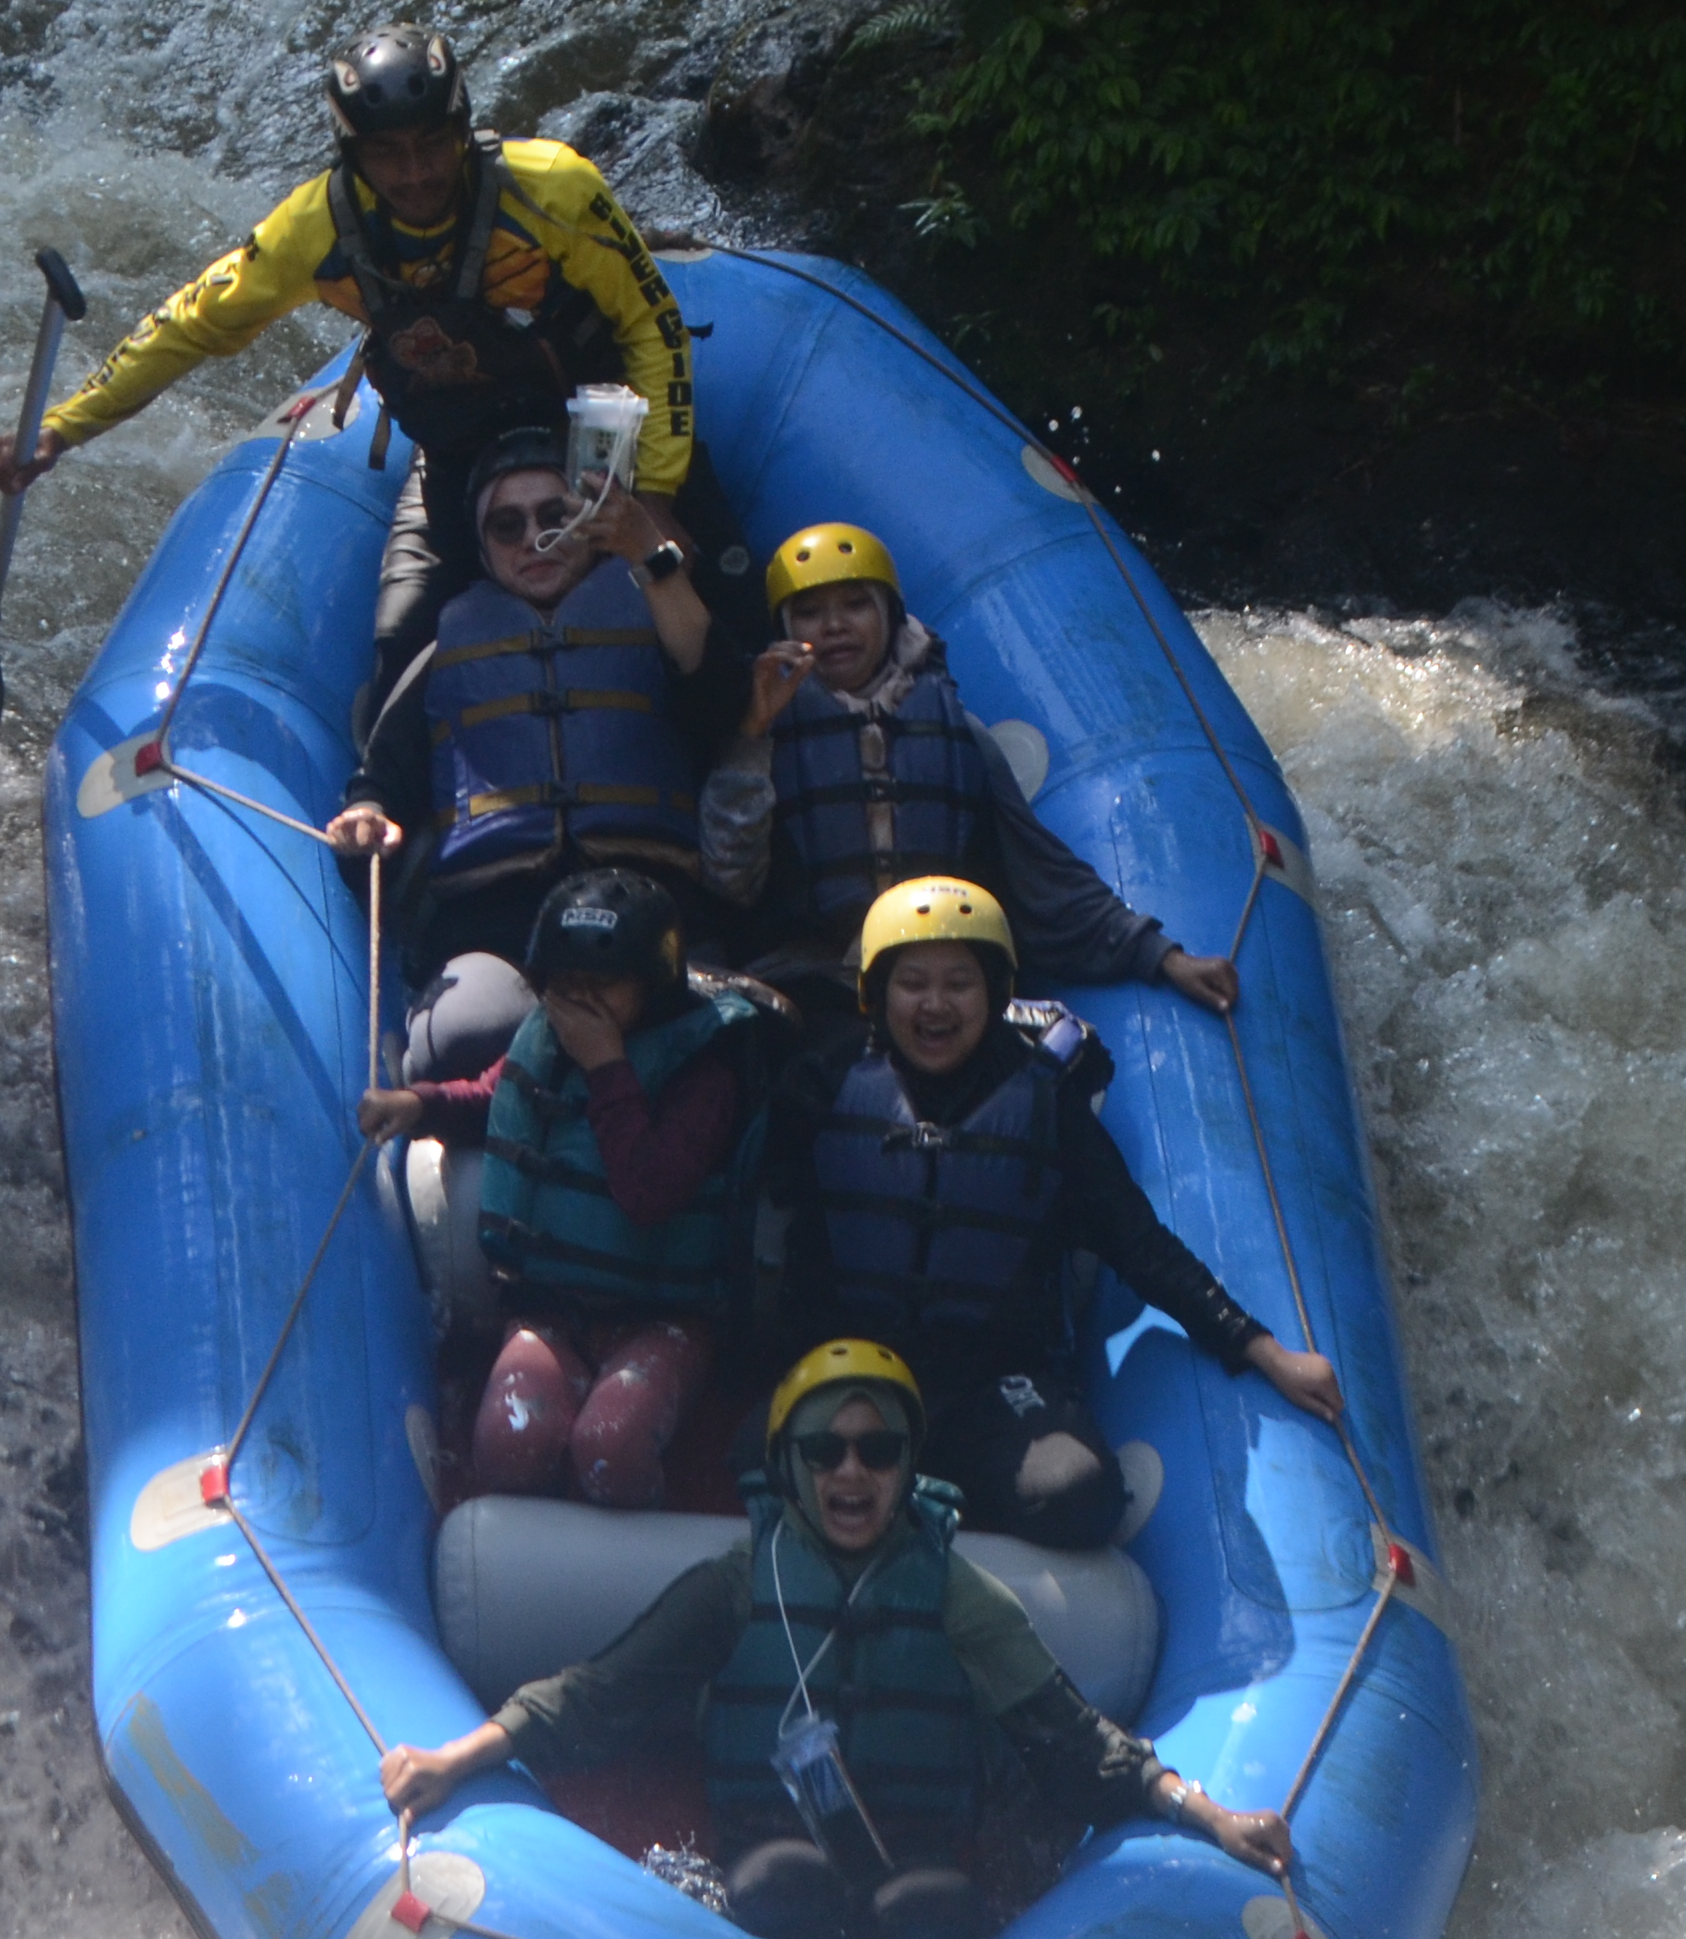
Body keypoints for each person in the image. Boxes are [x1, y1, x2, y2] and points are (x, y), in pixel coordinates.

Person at [374, 1341, 1289, 1939]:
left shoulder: (960, 1597)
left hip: (917, 1857)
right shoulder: (734, 1585)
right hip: (775, 1849)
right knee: (784, 1884)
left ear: (907, 1465)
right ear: (790, 1466)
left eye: (879, 1451)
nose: (852, 1471)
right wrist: (456, 1758)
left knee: (933, 1910)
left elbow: (1074, 1737)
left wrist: (1205, 1815)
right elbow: (600, 1691)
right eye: (827, 1451)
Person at [0, 24, 723, 699]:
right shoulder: (313, 229)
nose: (414, 174)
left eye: (433, 143)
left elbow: (652, 325)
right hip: (462, 454)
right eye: (387, 154)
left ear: (463, 130)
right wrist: (64, 428)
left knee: (713, 578)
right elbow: (191, 325)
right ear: (352, 154)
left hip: (601, 433)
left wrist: (654, 490)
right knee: (405, 644)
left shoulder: (553, 187)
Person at [770, 877, 1344, 1549]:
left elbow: (1138, 1243)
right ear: (877, 994)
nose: (934, 1005)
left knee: (1074, 1493)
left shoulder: (1047, 1109)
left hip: (990, 1386)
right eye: (912, 983)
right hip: (852, 1373)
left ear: (994, 994)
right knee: (755, 1461)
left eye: (959, 983)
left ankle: (927, 1496)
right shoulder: (822, 1088)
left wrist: (1262, 1349)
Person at [360, 867, 768, 1510]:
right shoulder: (548, 1039)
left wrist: (607, 1064)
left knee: (612, 1444)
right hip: (553, 1308)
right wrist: (419, 1104)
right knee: (508, 1443)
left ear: (650, 983)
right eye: (565, 987)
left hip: (661, 1317)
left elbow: (649, 1193)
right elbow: (495, 1097)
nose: (580, 1006)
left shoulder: (703, 1074)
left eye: (603, 988)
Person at [712, 520, 1236, 1016]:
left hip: (934, 978)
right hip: (814, 981)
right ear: (784, 628)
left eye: (855, 605)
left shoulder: (958, 732)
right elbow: (730, 878)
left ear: (889, 615)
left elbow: (1043, 872)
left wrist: (1161, 956)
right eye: (809, 612)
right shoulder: (766, 732)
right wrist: (753, 736)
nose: (834, 627)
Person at [333, 421, 736, 1013]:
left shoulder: (657, 614)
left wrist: (648, 550)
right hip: (498, 917)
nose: (535, 538)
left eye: (556, 516)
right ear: (482, 545)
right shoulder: (448, 644)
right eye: (508, 526)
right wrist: (367, 817)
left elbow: (721, 699)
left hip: (647, 898)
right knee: (463, 1032)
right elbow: (381, 779)